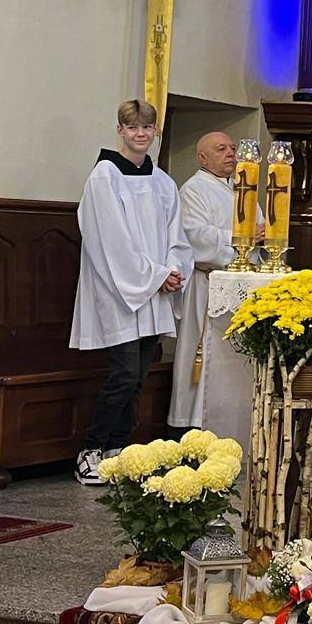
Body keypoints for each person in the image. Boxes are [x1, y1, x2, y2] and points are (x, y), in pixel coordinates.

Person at [70, 100, 192, 485]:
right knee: (122, 374)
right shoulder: (105, 177)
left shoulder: (162, 182)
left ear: (156, 131)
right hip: (119, 293)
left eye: (147, 127)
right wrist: (156, 276)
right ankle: (90, 450)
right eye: (133, 127)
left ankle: (116, 450)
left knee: (138, 377)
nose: (141, 134)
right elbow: (110, 241)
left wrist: (172, 270)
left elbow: (176, 236)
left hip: (153, 293)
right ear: (120, 131)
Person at [168, 131, 263, 441]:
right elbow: (195, 236)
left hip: (240, 287)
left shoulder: (243, 189)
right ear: (202, 158)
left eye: (232, 148)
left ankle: (231, 423)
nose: (230, 153)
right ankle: (194, 425)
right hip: (207, 285)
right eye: (221, 149)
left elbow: (259, 232)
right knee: (204, 356)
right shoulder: (193, 190)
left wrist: (261, 238)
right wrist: (242, 236)